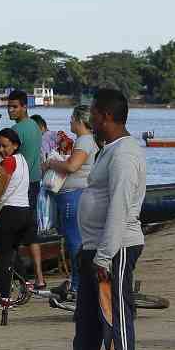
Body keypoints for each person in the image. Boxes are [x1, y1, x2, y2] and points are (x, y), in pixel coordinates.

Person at [41, 88, 146, 350]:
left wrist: (104, 255)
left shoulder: (125, 154)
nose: (92, 121)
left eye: (96, 115)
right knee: (86, 317)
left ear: (108, 117)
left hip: (115, 247)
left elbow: (120, 207)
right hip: (94, 245)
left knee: (115, 317)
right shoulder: (108, 149)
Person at [43, 105, 98, 295]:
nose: (70, 122)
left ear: (80, 120)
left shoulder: (84, 140)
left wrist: (52, 163)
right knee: (78, 240)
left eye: (72, 118)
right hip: (79, 194)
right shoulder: (88, 141)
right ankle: (78, 281)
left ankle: (78, 284)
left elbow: (72, 166)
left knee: (74, 241)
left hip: (73, 196)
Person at [0, 129, 35, 309]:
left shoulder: (8, 162)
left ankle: (5, 299)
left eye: (4, 146)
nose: (1, 149)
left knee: (4, 256)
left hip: (8, 212)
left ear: (15, 145)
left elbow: (1, 186)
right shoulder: (22, 160)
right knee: (13, 252)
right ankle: (27, 284)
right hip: (24, 211)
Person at [7, 90, 46, 289]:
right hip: (35, 183)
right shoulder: (35, 127)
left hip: (21, 186)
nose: (10, 110)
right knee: (31, 232)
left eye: (14, 106)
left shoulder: (17, 130)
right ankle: (39, 277)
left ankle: (22, 278)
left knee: (13, 232)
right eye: (9, 106)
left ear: (24, 107)